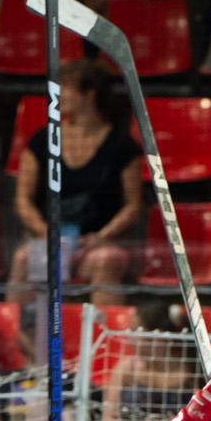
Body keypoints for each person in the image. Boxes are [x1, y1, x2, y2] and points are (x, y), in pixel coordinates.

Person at [10, 60, 142, 309]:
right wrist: (45, 232)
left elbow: (133, 206)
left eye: (65, 88)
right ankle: (17, 333)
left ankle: (105, 333)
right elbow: (22, 199)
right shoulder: (41, 141)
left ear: (88, 94)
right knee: (23, 258)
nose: (57, 94)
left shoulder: (122, 146)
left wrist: (101, 237)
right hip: (49, 241)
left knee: (106, 260)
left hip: (98, 244)